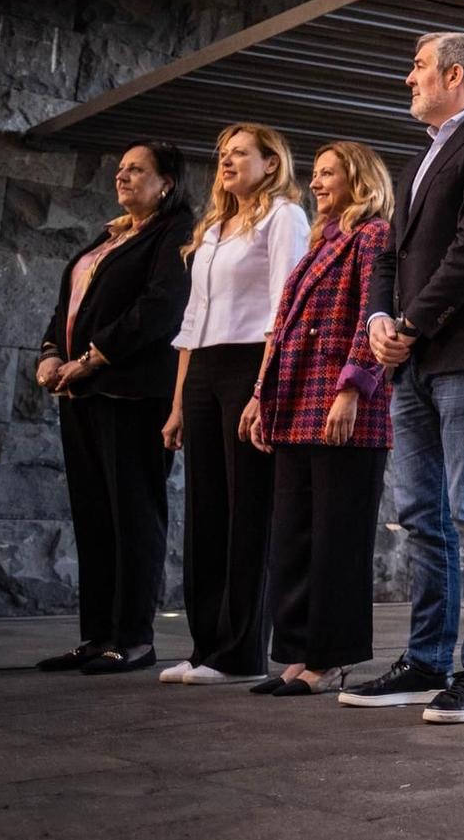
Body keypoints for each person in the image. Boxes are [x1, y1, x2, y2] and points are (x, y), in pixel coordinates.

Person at [344, 32, 464, 723]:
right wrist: (379, 320)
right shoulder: (422, 152)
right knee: (421, 515)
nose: (408, 77)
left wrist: (412, 323)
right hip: (411, 359)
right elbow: (390, 255)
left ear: (455, 73)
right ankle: (425, 660)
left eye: (419, 66)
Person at [241, 142, 395, 696]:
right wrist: (261, 396)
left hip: (342, 405)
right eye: (315, 173)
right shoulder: (316, 247)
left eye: (329, 173)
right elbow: (280, 331)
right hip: (297, 403)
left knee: (338, 539)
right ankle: (299, 650)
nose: (317, 182)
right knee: (296, 535)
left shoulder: (373, 235)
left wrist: (353, 387)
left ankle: (330, 658)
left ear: (360, 178)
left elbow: (373, 318)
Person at [34, 142, 193, 675]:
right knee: (94, 516)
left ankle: (134, 638)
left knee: (134, 515)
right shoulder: (112, 233)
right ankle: (97, 635)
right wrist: (52, 352)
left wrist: (93, 357)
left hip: (131, 392)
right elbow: (69, 304)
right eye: (120, 170)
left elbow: (160, 308)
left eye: (136, 170)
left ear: (166, 181)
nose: (122, 177)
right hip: (82, 391)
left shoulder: (174, 231)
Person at [163, 123, 310, 685]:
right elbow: (191, 323)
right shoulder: (213, 227)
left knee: (246, 508)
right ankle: (205, 647)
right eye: (222, 153)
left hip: (252, 361)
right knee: (204, 509)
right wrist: (178, 403)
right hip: (202, 367)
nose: (226, 161)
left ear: (271, 163)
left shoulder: (284, 217)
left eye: (240, 153)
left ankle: (239, 651)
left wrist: (262, 390)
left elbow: (284, 308)